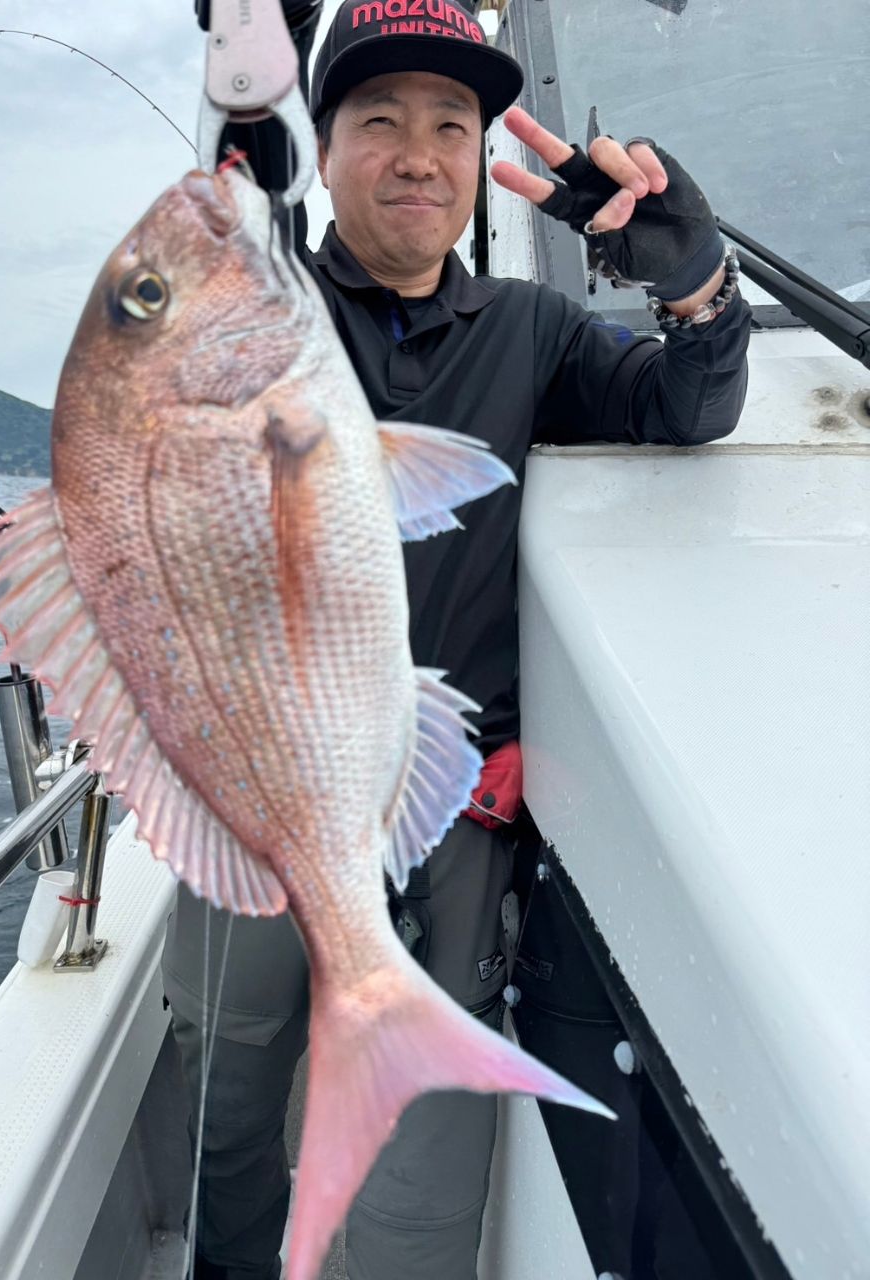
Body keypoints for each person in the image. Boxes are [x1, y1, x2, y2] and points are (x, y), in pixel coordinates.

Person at [164, 2, 752, 1277]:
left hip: (454, 805)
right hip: (260, 782)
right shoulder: (256, 318)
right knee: (230, 1069)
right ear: (324, 149)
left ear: (482, 148)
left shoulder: (530, 334)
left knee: (420, 1185)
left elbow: (685, 409)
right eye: (379, 119)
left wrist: (693, 283)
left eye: (451, 122)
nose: (420, 152)